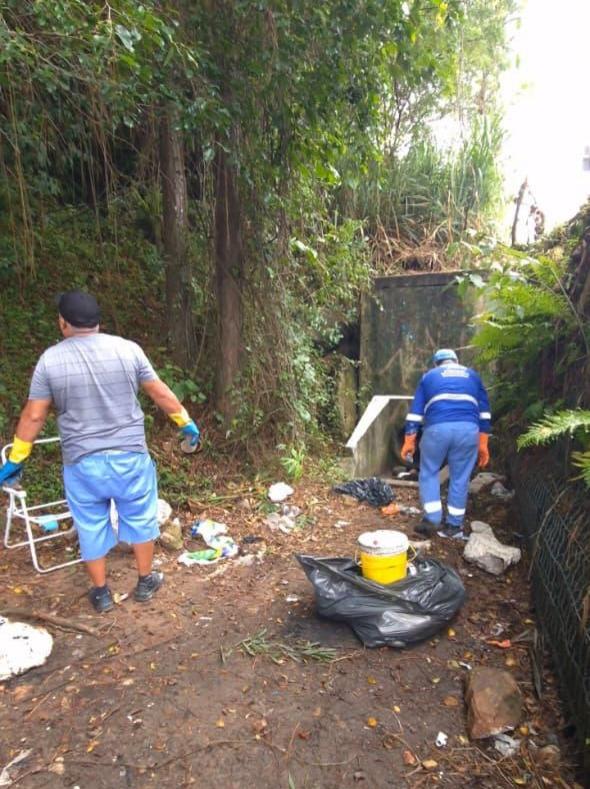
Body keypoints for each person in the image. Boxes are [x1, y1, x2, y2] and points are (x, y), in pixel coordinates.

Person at [0, 290, 201, 613]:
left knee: (90, 524)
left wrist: (15, 460)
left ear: (63, 323)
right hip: (130, 459)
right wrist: (186, 423)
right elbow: (159, 392)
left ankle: (102, 592)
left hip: (83, 464)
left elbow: (34, 415)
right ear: (97, 322)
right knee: (139, 517)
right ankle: (145, 581)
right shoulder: (128, 350)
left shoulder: (50, 361)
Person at [400, 348, 491, 539]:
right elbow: (484, 413)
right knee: (460, 477)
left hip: (436, 430)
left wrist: (409, 440)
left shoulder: (429, 377)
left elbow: (416, 412)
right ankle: (454, 527)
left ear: (437, 364)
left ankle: (432, 518)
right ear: (456, 361)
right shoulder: (473, 376)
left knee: (430, 471)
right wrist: (483, 444)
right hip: (468, 431)